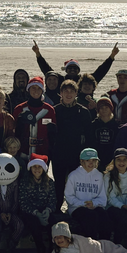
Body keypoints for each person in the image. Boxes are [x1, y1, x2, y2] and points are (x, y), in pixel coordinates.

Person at [51, 79, 91, 208]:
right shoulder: (54, 111)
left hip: (76, 154)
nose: (69, 94)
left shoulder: (83, 112)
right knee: (59, 183)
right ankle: (57, 207)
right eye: (66, 91)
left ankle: (75, 208)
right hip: (59, 154)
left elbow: (89, 136)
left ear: (76, 93)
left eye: (72, 91)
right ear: (61, 93)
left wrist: (86, 156)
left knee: (76, 183)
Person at [19, 154, 60, 253]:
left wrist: (48, 210)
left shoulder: (50, 182)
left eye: (39, 167)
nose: (37, 169)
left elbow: (53, 200)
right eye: (34, 167)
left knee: (53, 224)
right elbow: (23, 202)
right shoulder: (24, 182)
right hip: (31, 212)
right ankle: (40, 250)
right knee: (34, 224)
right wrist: (36, 213)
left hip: (45, 210)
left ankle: (52, 251)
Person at [64, 148, 109, 239]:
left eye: (93, 161)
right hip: (77, 207)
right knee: (90, 216)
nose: (91, 163)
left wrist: (94, 203)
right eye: (88, 160)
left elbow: (102, 197)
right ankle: (92, 243)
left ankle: (105, 243)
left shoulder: (99, 176)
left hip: (95, 206)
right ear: (82, 161)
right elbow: (69, 196)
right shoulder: (73, 175)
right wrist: (83, 203)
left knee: (104, 216)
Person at [12, 77, 56, 165]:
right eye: (33, 88)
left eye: (39, 88)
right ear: (28, 89)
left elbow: (53, 135)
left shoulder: (49, 110)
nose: (36, 91)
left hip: (42, 153)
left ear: (42, 90)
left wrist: (51, 152)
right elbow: (14, 133)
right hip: (23, 152)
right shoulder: (19, 109)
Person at [32, 40, 120, 84]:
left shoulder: (85, 81)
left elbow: (101, 72)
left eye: (75, 68)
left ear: (79, 70)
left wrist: (111, 57)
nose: (72, 70)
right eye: (70, 68)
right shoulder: (60, 80)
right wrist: (38, 54)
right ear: (66, 70)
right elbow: (46, 69)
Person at [91, 97, 119, 172]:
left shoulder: (117, 126)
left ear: (111, 109)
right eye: (101, 108)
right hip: (96, 158)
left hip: (111, 158)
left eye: (106, 107)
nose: (104, 110)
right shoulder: (93, 125)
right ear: (98, 110)